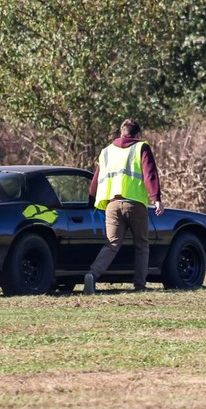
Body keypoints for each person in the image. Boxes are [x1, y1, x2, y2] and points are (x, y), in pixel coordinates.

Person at [83, 119, 164, 294]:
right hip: (134, 203)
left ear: (121, 132)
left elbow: (95, 181)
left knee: (111, 244)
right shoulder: (141, 147)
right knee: (142, 244)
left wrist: (90, 202)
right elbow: (149, 173)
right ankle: (140, 286)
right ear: (137, 134)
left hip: (111, 205)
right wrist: (156, 197)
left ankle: (92, 274)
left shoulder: (106, 152)